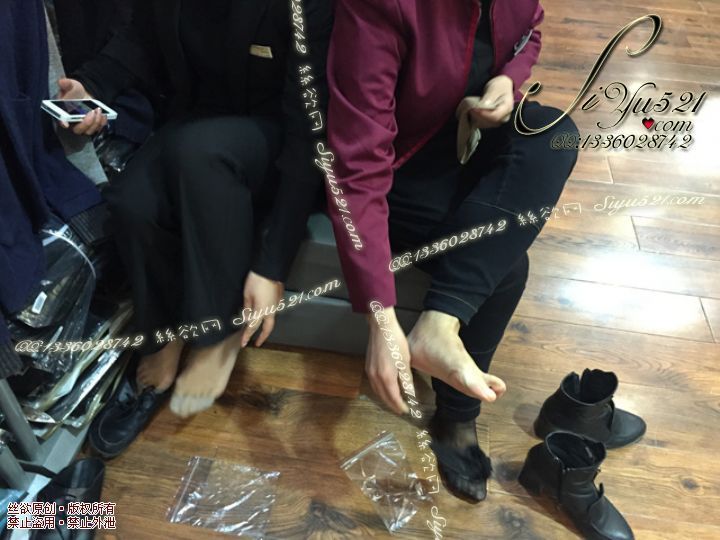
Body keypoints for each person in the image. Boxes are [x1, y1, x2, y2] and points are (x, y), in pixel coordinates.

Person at [326, 0, 579, 501]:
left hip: (464, 134)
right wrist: (380, 317)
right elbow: (356, 168)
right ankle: (457, 414)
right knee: (507, 267)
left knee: (555, 133)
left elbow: (528, 30)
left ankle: (438, 326)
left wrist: (507, 80)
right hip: (396, 164)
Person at [55, 0, 332, 455]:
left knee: (199, 150)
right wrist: (92, 86)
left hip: (279, 138)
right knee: (131, 201)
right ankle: (164, 335)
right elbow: (142, 39)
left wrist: (272, 266)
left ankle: (217, 334)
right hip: (194, 126)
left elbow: (308, 132)